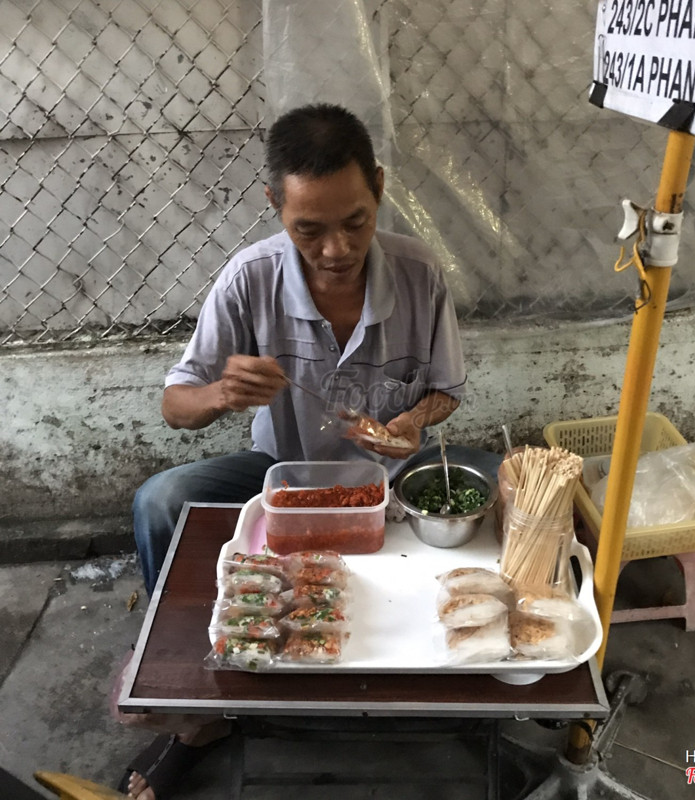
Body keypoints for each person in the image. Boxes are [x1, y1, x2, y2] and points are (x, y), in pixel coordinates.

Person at [120, 103, 501, 800]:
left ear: (379, 188)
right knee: (160, 501)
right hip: (281, 478)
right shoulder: (249, 279)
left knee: (505, 482)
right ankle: (196, 709)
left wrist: (412, 421)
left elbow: (446, 389)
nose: (335, 250)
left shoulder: (420, 274)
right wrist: (221, 394)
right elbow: (176, 405)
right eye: (309, 230)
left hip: (394, 474)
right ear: (275, 205)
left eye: (355, 221)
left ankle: (485, 679)